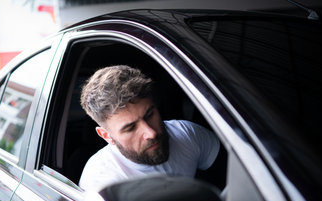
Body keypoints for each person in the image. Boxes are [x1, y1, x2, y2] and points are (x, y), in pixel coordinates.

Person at [79, 65, 220, 191]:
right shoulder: (100, 185)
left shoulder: (186, 133)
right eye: (130, 128)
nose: (151, 133)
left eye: (150, 115)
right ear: (107, 136)